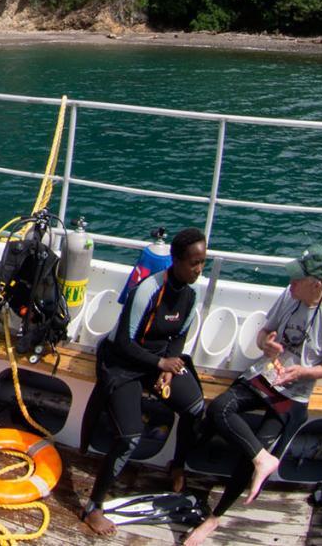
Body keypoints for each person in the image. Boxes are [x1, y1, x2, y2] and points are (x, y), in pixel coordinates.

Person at [183, 243, 322, 546]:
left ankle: (214, 518)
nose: (291, 283)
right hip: (266, 374)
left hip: (295, 390)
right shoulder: (290, 296)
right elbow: (264, 333)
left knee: (255, 448)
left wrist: (302, 373)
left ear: (317, 284)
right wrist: (266, 346)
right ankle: (263, 460)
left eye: (298, 279)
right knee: (218, 408)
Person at [82, 227, 208, 536]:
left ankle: (177, 465)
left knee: (195, 408)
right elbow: (123, 342)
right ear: (176, 261)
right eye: (194, 263)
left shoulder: (190, 296)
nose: (198, 269)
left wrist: (168, 366)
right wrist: (159, 363)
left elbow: (178, 337)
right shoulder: (148, 289)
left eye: (203, 262)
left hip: (157, 363)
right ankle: (92, 507)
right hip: (122, 364)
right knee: (129, 437)